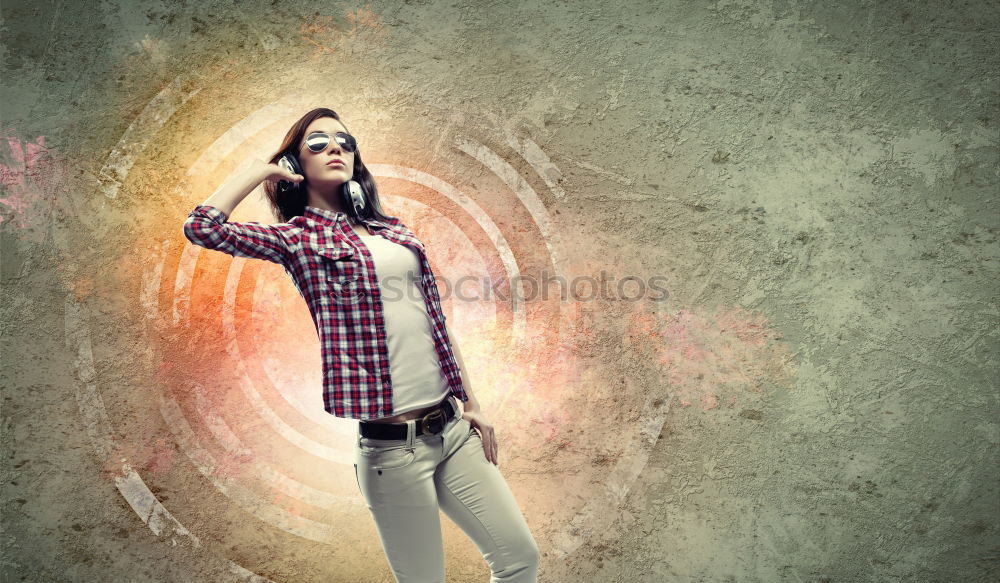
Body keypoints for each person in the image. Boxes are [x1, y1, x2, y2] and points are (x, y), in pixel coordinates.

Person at [182, 108, 539, 582]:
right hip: (393, 452)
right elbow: (203, 228)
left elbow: (434, 322)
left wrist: (473, 402)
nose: (335, 147)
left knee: (519, 559)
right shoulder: (297, 240)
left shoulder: (394, 231)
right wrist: (266, 170)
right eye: (317, 142)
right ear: (296, 162)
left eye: (344, 140)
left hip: (452, 431)